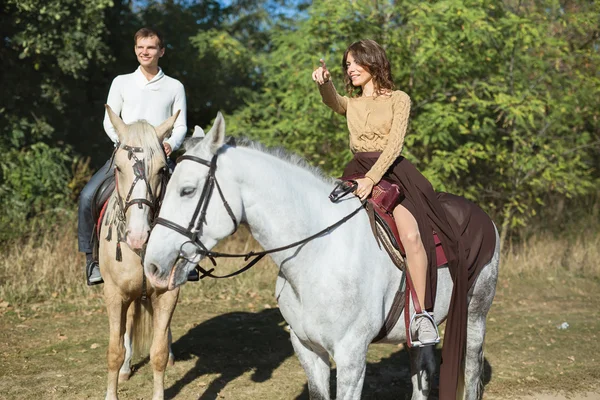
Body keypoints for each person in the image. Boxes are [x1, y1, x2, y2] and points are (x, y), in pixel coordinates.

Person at [311, 39, 443, 345]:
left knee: (411, 236)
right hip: (355, 172)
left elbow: (395, 145)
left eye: (356, 62)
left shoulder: (399, 98)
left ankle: (423, 316)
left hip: (392, 172)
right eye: (347, 64)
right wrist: (324, 83)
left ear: (374, 62)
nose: (351, 68)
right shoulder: (352, 103)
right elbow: (334, 102)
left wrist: (372, 179)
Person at [78, 27, 188, 286]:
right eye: (140, 47)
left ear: (161, 51)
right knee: (86, 198)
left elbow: (181, 125)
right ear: (135, 49)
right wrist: (124, 143)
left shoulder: (174, 86)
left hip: (158, 158)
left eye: (150, 47)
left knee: (186, 201)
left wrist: (171, 143)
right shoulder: (121, 82)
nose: (144, 52)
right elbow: (109, 120)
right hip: (125, 156)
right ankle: (92, 262)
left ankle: (186, 260)